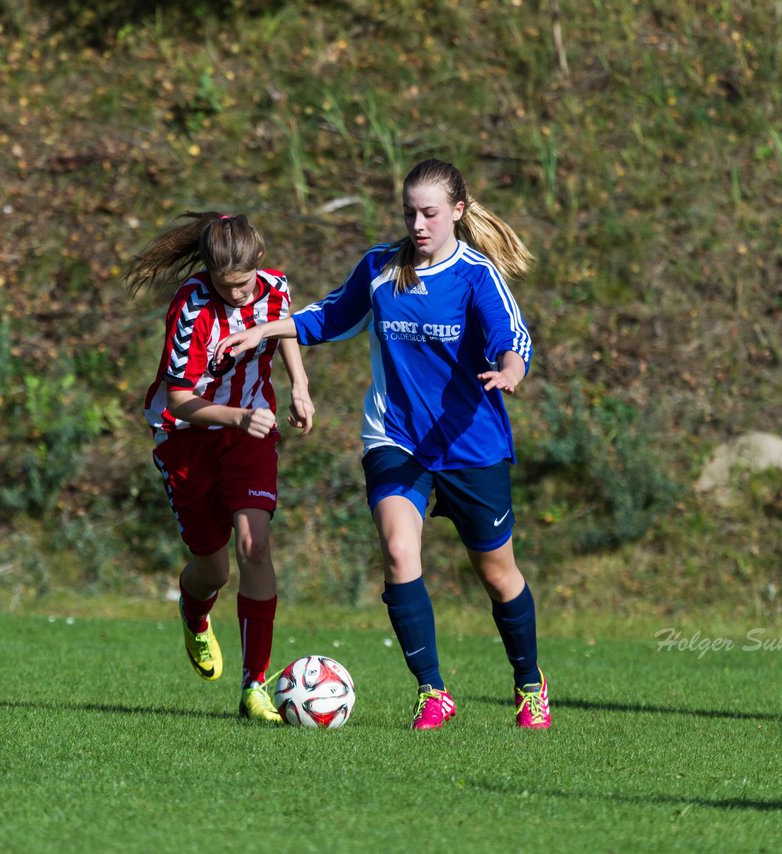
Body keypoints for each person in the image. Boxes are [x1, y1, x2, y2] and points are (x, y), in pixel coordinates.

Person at [213, 158, 550, 730]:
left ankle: (529, 683)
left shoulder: (477, 274)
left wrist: (510, 370)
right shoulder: (380, 269)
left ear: (458, 213)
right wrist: (264, 330)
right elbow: (328, 318)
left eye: (430, 213)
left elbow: (510, 335)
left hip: (472, 444)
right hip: (396, 439)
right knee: (398, 553)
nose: (417, 224)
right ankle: (433, 691)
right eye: (409, 212)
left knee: (498, 574)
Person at [125, 211, 314, 723]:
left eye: (244, 284)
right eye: (225, 286)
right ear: (209, 273)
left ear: (259, 263)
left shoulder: (275, 288)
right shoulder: (189, 305)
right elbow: (182, 399)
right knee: (213, 567)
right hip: (186, 438)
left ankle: (255, 686)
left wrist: (298, 385)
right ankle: (194, 613)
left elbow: (287, 329)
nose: (236, 295)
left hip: (248, 437)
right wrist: (238, 416)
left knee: (255, 546)